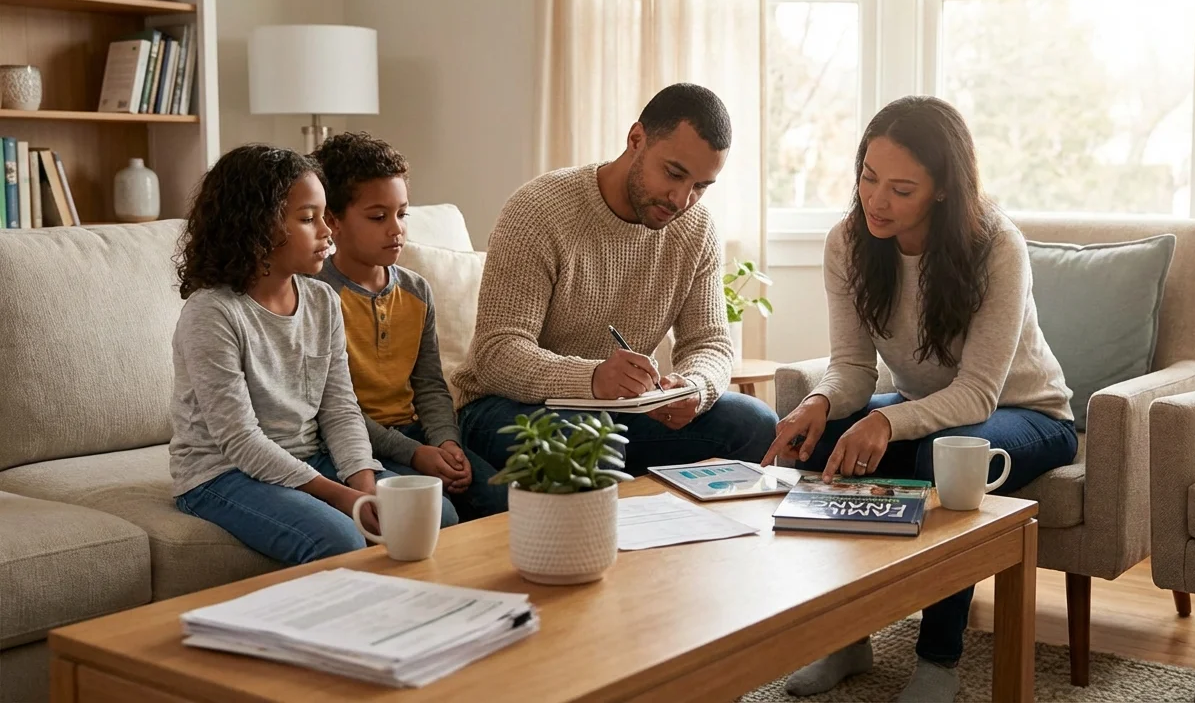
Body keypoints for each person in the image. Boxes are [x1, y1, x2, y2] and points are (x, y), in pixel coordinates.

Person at [761, 96, 1077, 702]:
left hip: (1030, 414)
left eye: (901, 189)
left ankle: (938, 662)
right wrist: (821, 404)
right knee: (817, 440)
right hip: (929, 405)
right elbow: (853, 369)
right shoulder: (848, 243)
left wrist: (889, 422)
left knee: (944, 454)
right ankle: (845, 636)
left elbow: (979, 395)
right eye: (868, 177)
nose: (876, 200)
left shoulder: (996, 246)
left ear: (941, 189)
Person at [453, 83, 777, 475]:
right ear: (636, 139)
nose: (681, 199)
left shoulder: (695, 228)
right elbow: (496, 352)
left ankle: (687, 533)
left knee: (755, 423)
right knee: (592, 444)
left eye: (700, 187)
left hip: (619, 412)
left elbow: (710, 342)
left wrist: (694, 387)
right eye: (674, 173)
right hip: (506, 407)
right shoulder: (538, 210)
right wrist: (591, 378)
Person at [168, 144, 457, 567]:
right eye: (308, 219)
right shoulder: (212, 313)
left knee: (439, 516)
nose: (328, 230)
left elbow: (340, 409)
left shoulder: (321, 300)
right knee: (338, 538)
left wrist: (365, 482)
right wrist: (343, 497)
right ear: (257, 226)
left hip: (310, 456)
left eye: (325, 216)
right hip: (223, 473)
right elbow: (240, 440)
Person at [311, 131, 507, 520]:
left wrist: (446, 443)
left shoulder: (417, 291)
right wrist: (415, 454)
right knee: (439, 513)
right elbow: (329, 408)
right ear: (333, 220)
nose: (396, 229)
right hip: (354, 445)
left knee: (504, 504)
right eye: (378, 217)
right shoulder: (317, 297)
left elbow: (430, 385)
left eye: (402, 213)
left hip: (416, 435)